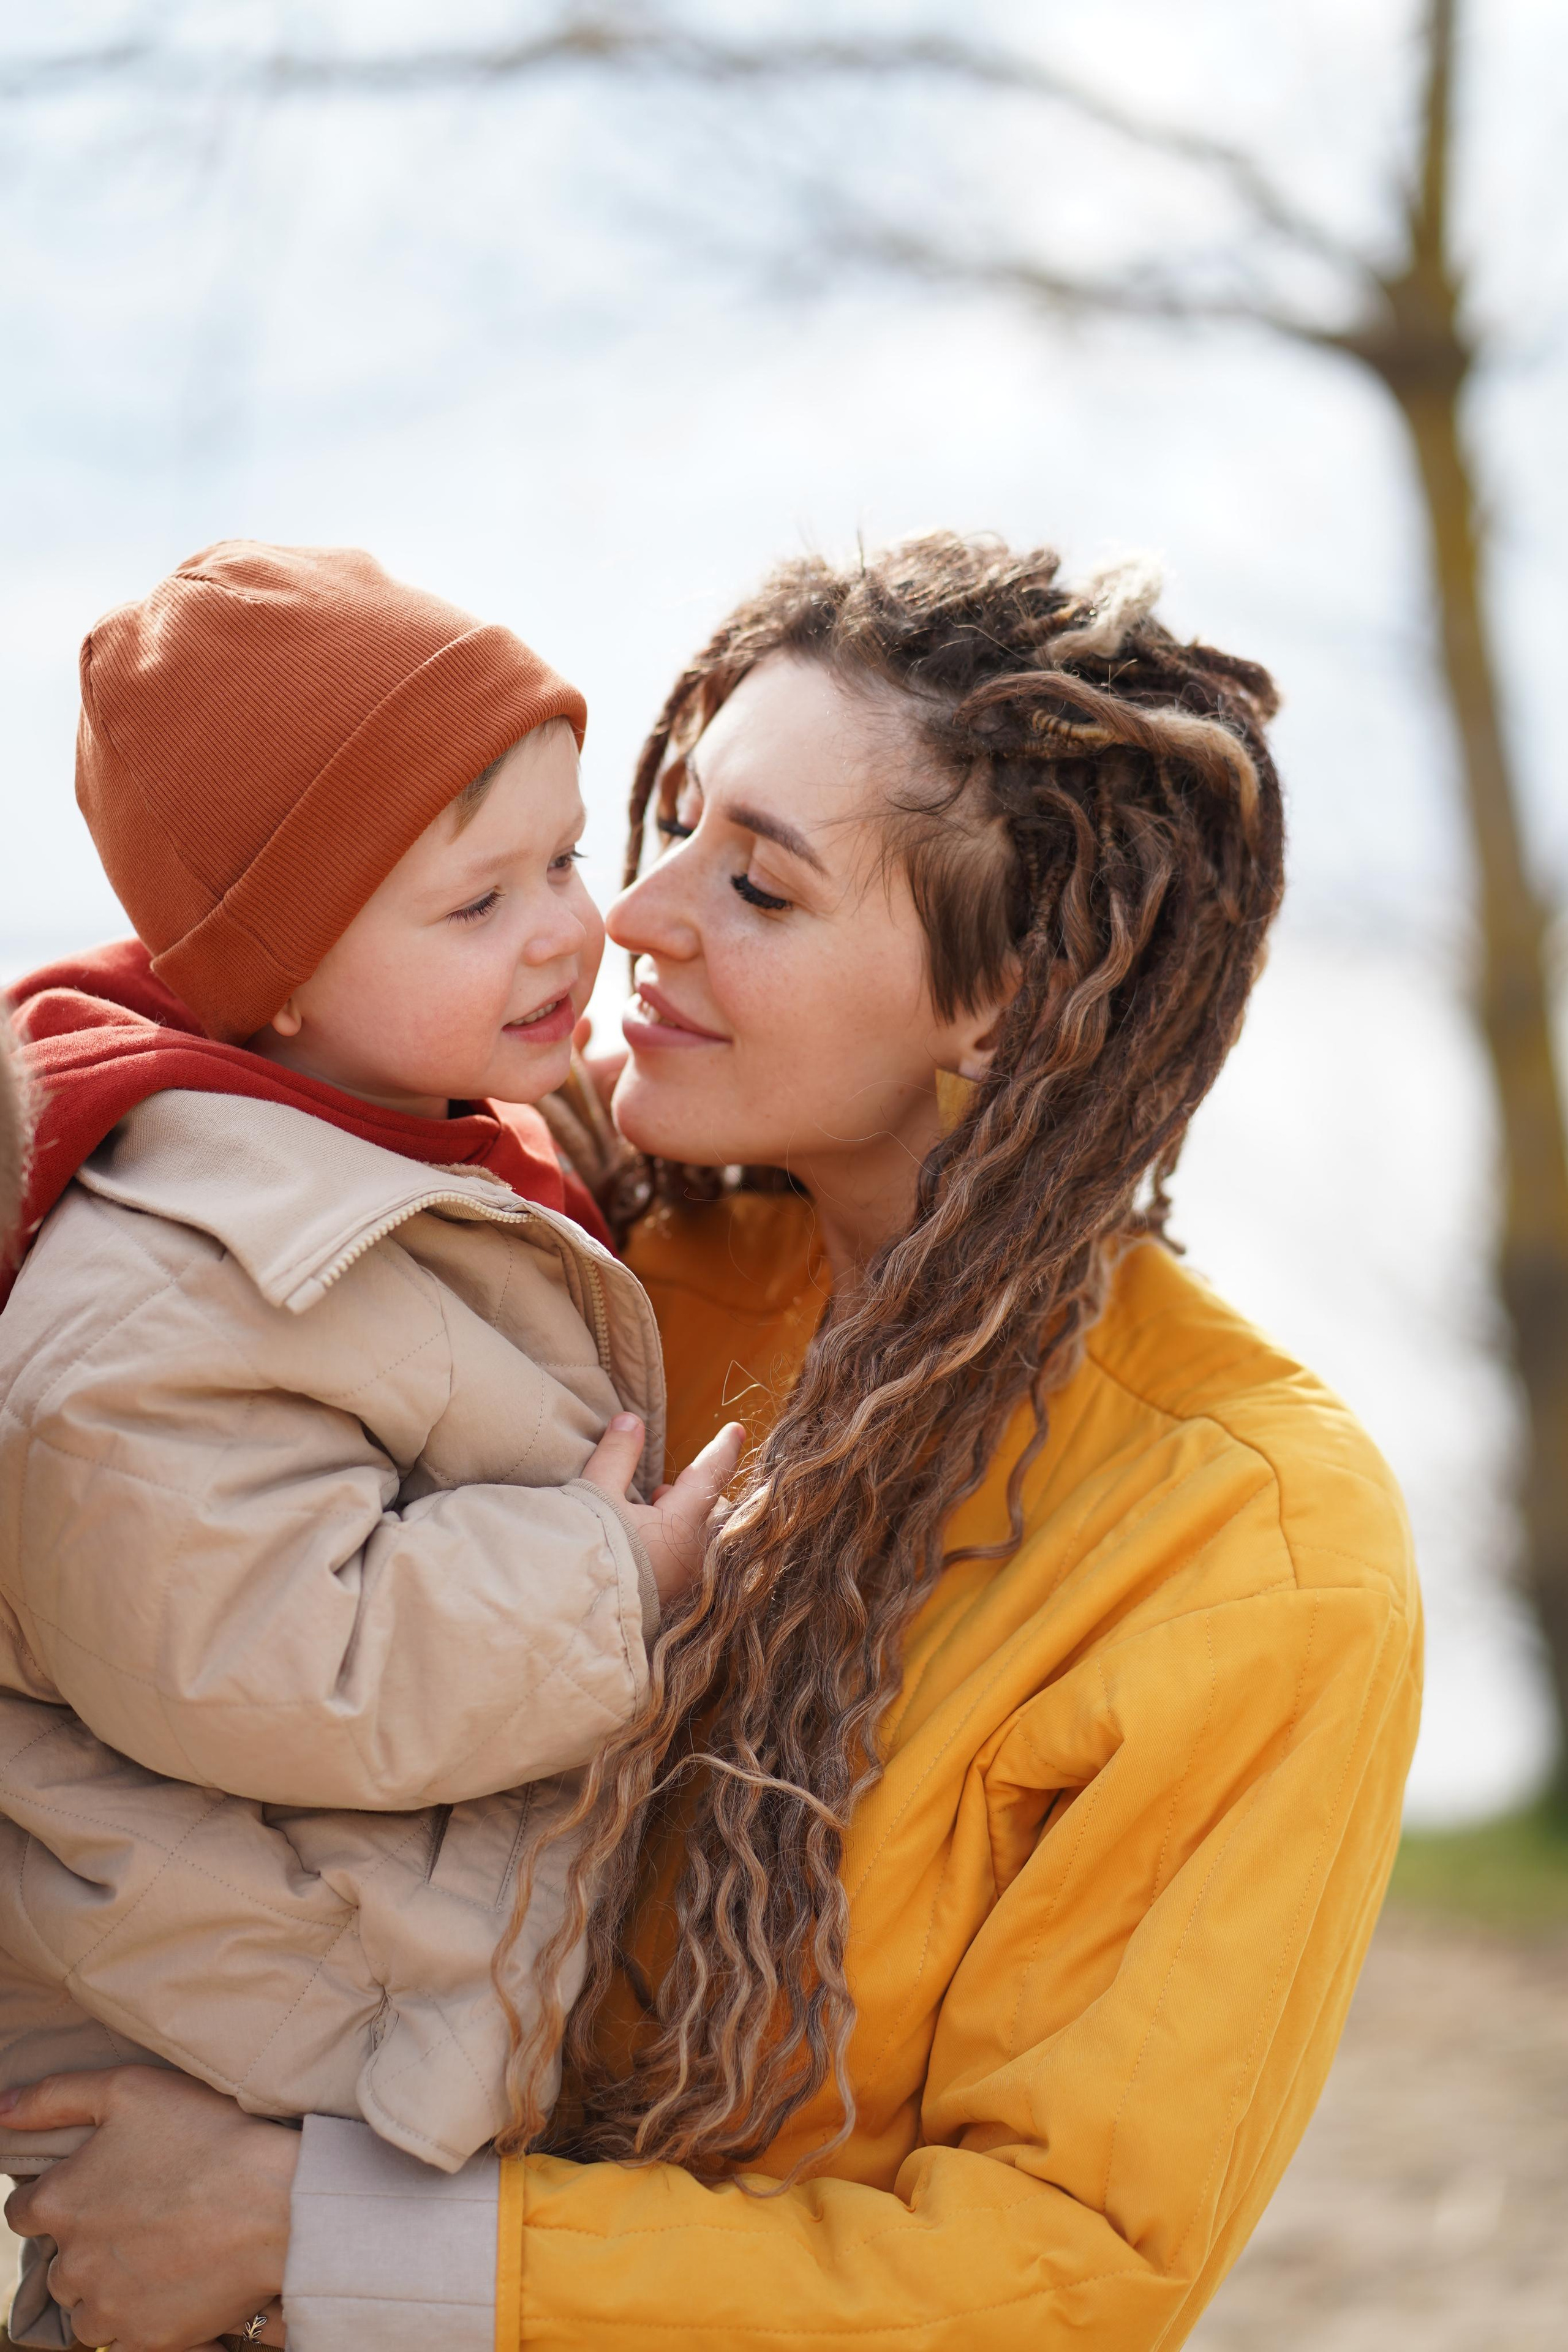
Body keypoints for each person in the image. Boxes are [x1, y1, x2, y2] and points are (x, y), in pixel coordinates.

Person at [0, 535, 1420, 2352]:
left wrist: (311, 2233)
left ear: (1009, 991)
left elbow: (1063, 2267)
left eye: (756, 882)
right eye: (671, 826)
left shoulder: (1252, 1544)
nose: (633, 915)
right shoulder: (574, 1262)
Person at [0, 542, 744, 2217]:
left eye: (565, 858)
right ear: (277, 973)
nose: (569, 929)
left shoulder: (412, 1110)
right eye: (480, 905)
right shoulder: (154, 1299)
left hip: (384, 2011)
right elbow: (269, 1654)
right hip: (279, 2052)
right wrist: (604, 1578)